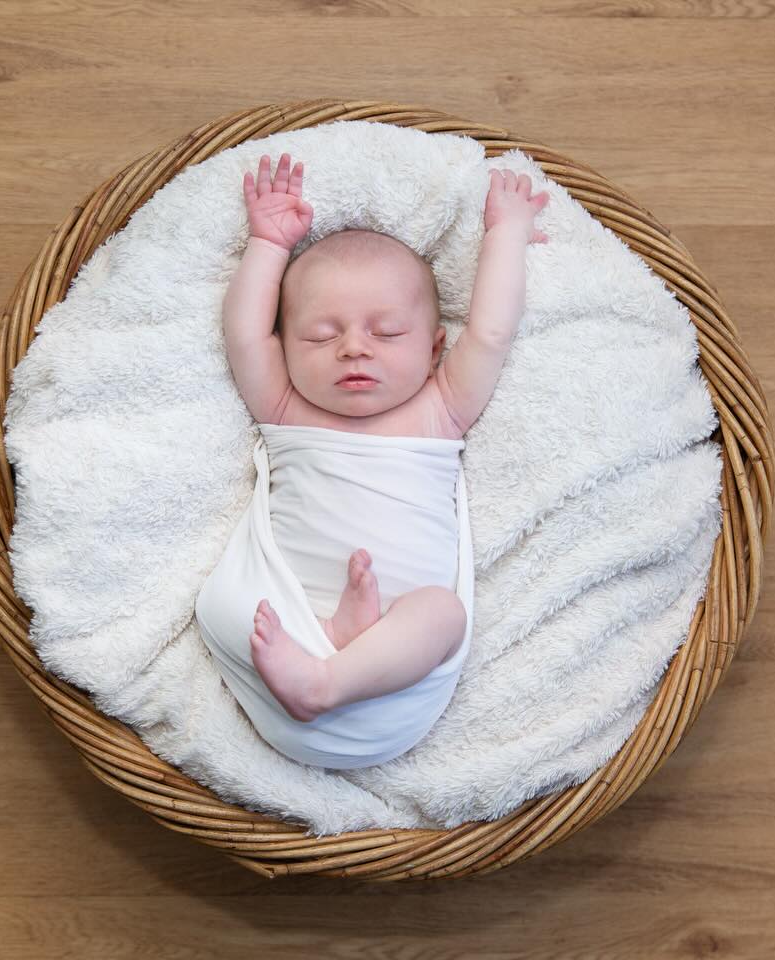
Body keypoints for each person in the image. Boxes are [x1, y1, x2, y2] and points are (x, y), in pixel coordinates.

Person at [216, 151, 549, 727]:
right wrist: (267, 243)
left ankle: (331, 680)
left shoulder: (440, 409)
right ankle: (333, 641)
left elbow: (492, 333)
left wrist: (506, 234)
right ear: (287, 348)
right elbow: (245, 334)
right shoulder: (285, 407)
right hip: (289, 634)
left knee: (442, 614)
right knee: (219, 603)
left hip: (395, 681)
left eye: (387, 332)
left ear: (434, 350)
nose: (353, 348)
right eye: (321, 336)